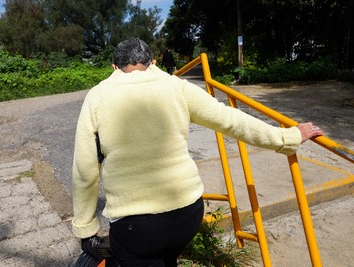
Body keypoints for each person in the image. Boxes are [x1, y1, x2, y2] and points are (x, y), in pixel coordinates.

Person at [71, 37, 324, 267]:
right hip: (187, 213)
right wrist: (287, 135)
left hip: (135, 228)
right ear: (154, 62)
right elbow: (230, 120)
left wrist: (85, 229)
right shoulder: (177, 87)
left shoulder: (98, 96)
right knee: (167, 256)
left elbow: (85, 170)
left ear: (114, 67)